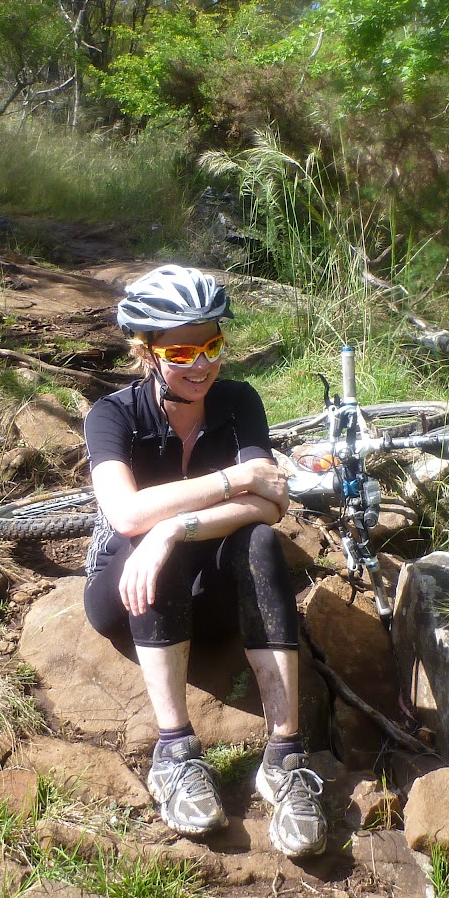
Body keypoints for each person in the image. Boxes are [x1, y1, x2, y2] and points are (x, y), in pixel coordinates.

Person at [83, 264, 326, 858]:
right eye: (182, 352)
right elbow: (126, 514)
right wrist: (231, 481)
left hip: (212, 590)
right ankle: (174, 752)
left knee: (259, 541)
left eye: (212, 346)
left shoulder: (239, 402)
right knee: (150, 545)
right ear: (147, 352)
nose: (201, 365)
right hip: (129, 589)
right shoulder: (112, 415)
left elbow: (271, 505)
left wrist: (174, 526)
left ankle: (285, 758)